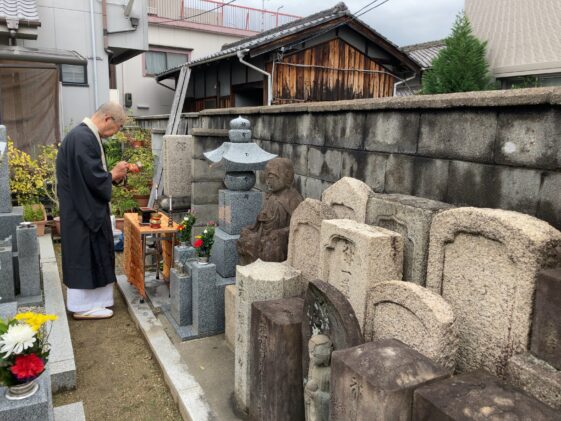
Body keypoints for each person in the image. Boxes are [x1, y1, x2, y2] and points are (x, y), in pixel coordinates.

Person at [56, 102, 129, 319]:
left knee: (90, 253)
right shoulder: (83, 137)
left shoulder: (82, 135)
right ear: (108, 119)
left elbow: (92, 175)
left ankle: (94, 303)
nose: (114, 133)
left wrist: (112, 177)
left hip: (79, 207)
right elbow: (93, 179)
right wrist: (112, 174)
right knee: (85, 254)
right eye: (117, 128)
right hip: (82, 213)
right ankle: (83, 306)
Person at [236, 157, 303, 265]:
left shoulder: (293, 199)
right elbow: (263, 220)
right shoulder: (271, 197)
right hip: (264, 235)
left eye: (271, 178)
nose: (267, 182)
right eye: (266, 178)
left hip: (278, 241)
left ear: (284, 177)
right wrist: (254, 227)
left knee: (261, 245)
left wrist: (280, 233)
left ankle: (261, 274)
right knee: (245, 236)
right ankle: (249, 273)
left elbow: (299, 226)